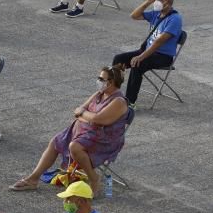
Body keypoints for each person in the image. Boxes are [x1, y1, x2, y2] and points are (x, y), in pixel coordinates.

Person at [9, 67, 129, 197]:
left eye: (101, 79)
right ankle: (33, 179)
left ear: (110, 82)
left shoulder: (118, 101)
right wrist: (87, 116)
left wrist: (85, 115)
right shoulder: (99, 94)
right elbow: (79, 110)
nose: (98, 81)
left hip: (104, 140)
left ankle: (94, 178)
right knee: (55, 141)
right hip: (87, 132)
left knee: (75, 146)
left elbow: (97, 119)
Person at [111, 0, 183, 105]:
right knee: (118, 59)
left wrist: (141, 56)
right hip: (148, 51)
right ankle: (113, 93)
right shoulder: (156, 14)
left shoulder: (175, 19)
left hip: (163, 56)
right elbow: (134, 16)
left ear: (167, 1)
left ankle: (129, 102)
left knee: (137, 64)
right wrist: (148, 1)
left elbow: (158, 42)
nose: (156, 1)